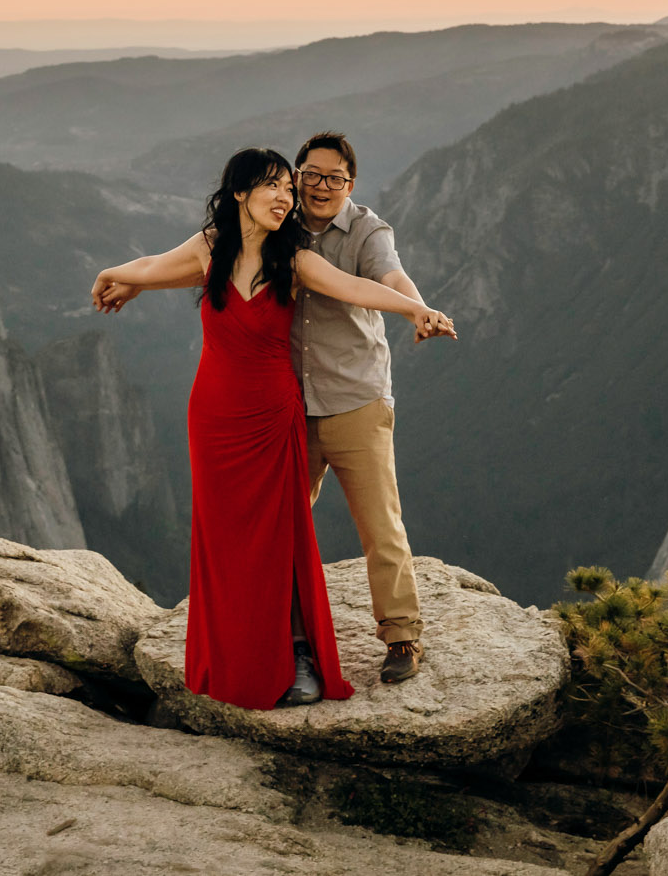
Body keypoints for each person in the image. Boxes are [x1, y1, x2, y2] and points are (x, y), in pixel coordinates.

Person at [91, 147, 455, 709]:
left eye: (291, 186)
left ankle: (304, 651)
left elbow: (365, 286)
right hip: (214, 416)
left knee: (285, 532)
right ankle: (239, 648)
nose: (288, 195)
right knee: (230, 538)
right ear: (240, 192)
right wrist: (117, 275)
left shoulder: (298, 257)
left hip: (278, 413)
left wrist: (416, 310)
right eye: (278, 184)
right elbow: (156, 264)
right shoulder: (210, 246)